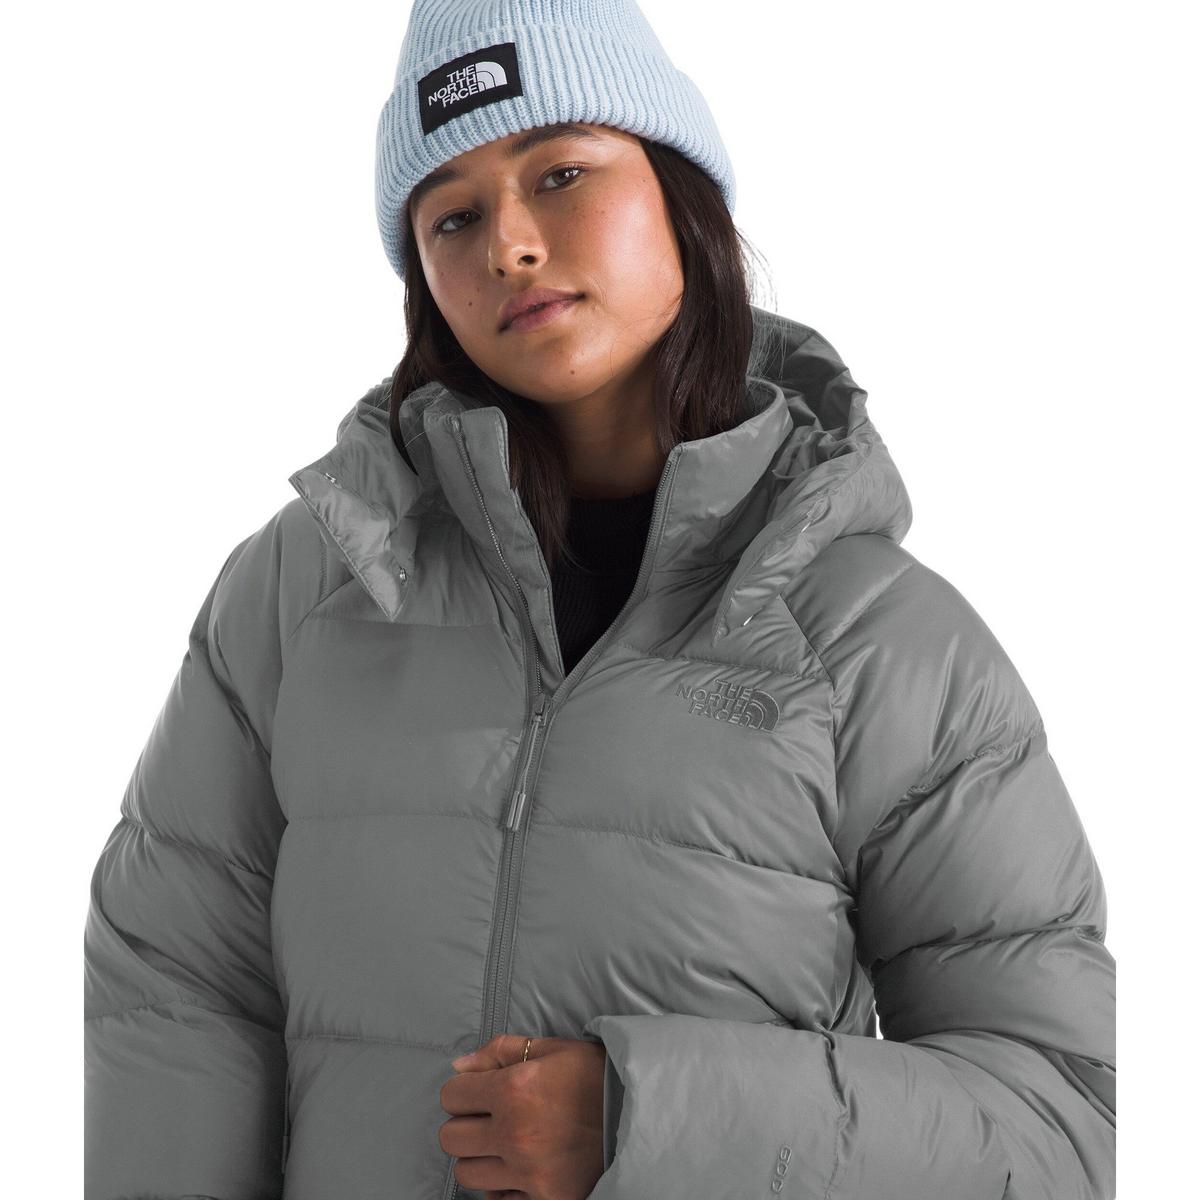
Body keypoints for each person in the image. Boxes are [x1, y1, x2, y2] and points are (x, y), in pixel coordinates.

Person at [82, 1, 1116, 1198]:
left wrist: (648, 1121)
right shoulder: (307, 590)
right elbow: (173, 994)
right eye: (453, 216)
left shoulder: (885, 646)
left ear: (682, 196)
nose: (510, 246)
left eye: (562, 173)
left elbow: (1063, 1125)